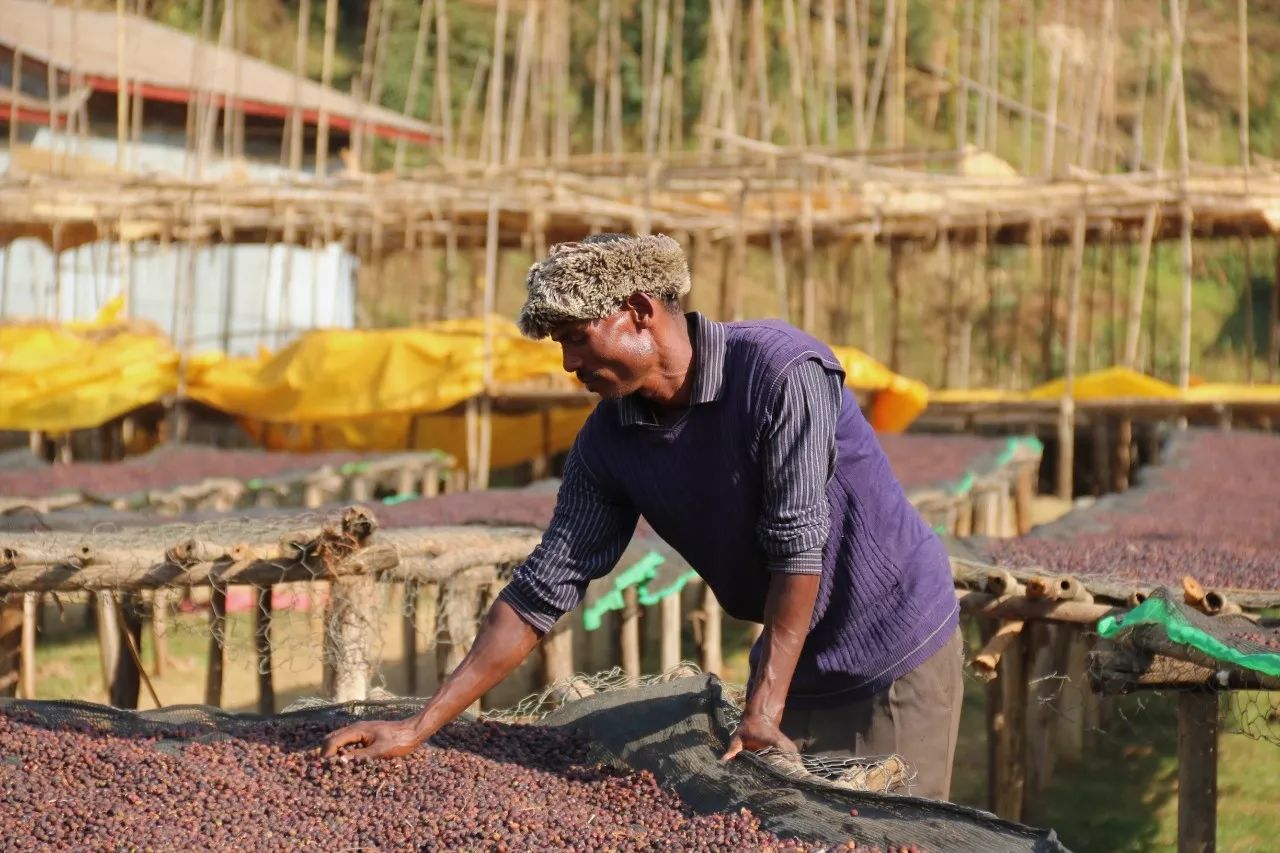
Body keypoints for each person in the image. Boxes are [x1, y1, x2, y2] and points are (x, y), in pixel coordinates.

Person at [321, 233, 963, 800]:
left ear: (637, 313)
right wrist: (420, 725)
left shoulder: (779, 371)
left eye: (576, 338)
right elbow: (541, 591)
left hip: (891, 641)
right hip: (790, 656)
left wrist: (764, 707)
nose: (569, 364)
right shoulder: (609, 443)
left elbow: (798, 544)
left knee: (888, 830)